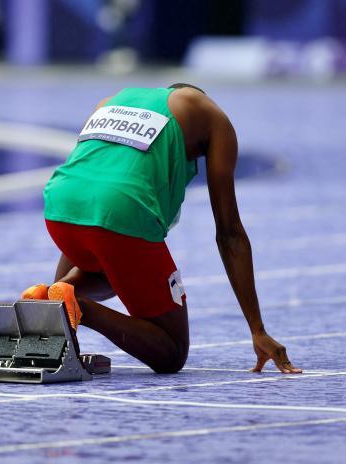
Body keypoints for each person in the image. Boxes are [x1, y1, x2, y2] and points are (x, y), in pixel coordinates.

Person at [21, 84, 302, 375]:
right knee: (172, 352)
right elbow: (229, 233)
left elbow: (90, 194)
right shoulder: (212, 115)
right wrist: (257, 329)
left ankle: (53, 300)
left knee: (105, 263)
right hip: (121, 208)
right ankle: (80, 307)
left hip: (60, 203)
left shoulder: (112, 101)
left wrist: (58, 320)